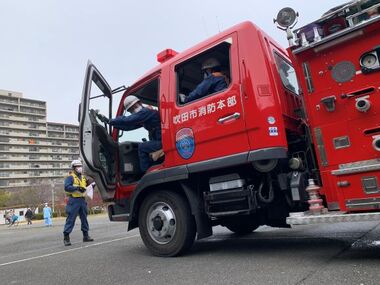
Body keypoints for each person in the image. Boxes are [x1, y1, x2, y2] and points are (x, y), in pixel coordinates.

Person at [107, 95, 162, 172]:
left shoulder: (146, 112)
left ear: (139, 103)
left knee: (142, 147)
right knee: (145, 147)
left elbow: (128, 120)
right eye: (131, 110)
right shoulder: (143, 117)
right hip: (158, 141)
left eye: (134, 107)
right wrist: (114, 125)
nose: (134, 110)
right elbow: (129, 127)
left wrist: (111, 121)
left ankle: (146, 172)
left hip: (162, 142)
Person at [63, 159, 94, 246]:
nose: (79, 168)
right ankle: (66, 237)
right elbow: (67, 187)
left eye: (80, 166)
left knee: (84, 218)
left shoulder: (83, 177)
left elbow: (86, 186)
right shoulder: (70, 177)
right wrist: (77, 188)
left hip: (82, 200)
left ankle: (86, 236)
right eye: (77, 166)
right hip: (74, 200)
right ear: (73, 168)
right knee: (71, 219)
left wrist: (91, 186)